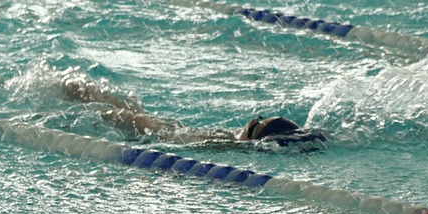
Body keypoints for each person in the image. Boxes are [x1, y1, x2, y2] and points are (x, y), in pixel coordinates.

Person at [32, 71, 327, 150]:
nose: (253, 118)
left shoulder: (225, 145)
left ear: (251, 136)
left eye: (256, 123)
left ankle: (61, 89)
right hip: (166, 127)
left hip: (155, 133)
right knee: (100, 99)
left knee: (95, 103)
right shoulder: (228, 141)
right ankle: (65, 89)